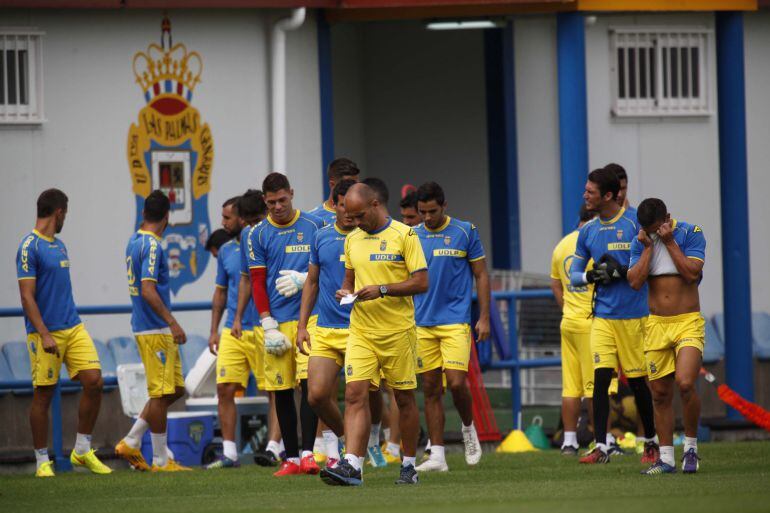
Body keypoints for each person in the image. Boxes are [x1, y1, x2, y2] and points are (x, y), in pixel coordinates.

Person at [320, 183, 428, 486]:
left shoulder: (405, 236)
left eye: (359, 215)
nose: (355, 222)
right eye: (350, 217)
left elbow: (421, 282)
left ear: (375, 204)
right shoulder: (352, 239)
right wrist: (347, 292)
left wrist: (382, 289)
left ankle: (408, 465)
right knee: (354, 394)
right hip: (361, 330)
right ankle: (352, 464)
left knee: (404, 400)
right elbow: (350, 280)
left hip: (398, 331)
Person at [16, 188, 111, 477]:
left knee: (94, 381)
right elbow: (26, 297)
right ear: (59, 212)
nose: (65, 219)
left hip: (74, 326)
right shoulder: (28, 247)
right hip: (45, 333)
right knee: (43, 395)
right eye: (65, 214)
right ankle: (42, 460)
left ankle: (82, 450)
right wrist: (44, 334)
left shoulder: (60, 246)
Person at [569, 168, 658, 465]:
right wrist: (594, 274)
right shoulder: (588, 231)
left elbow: (648, 264)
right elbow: (573, 277)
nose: (585, 196)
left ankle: (651, 443)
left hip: (634, 316)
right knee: (600, 378)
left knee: (636, 381)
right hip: (603, 316)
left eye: (590, 192)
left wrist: (619, 271)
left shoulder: (635, 223)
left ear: (608, 195)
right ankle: (601, 447)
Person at [244, 172, 323, 477]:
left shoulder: (314, 225)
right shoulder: (257, 234)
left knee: (310, 386)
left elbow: (328, 267)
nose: (278, 206)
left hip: (310, 319)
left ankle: (307, 454)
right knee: (281, 390)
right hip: (277, 322)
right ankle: (290, 458)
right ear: (265, 200)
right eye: (272, 202)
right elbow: (257, 280)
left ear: (292, 193)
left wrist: (305, 279)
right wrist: (267, 323)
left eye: (282, 200)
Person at [411, 182, 489, 472]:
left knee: (456, 382)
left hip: (455, 320)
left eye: (432, 211)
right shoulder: (412, 235)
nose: (427, 217)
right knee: (430, 389)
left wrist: (484, 317)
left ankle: (469, 428)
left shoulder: (465, 231)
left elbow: (481, 274)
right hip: (421, 323)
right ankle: (438, 456)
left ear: (444, 206)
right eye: (422, 212)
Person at [627, 198, 706, 475]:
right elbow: (635, 282)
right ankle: (666, 458)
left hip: (687, 322)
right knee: (659, 394)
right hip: (656, 324)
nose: (651, 234)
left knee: (685, 383)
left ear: (667, 219)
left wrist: (670, 242)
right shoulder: (641, 242)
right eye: (647, 230)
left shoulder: (690, 233)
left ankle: (691, 448)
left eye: (655, 229)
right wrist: (648, 247)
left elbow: (691, 274)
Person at [116, 190, 191, 472]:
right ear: (167, 216)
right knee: (160, 395)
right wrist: (172, 322)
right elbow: (148, 289)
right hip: (154, 329)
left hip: (148, 326)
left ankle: (133, 439)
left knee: (176, 389)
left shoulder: (133, 241)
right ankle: (161, 459)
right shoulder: (153, 245)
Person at [297, 178, 364, 469]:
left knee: (359, 395)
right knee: (317, 395)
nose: (348, 212)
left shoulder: (367, 236)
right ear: (334, 205)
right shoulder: (321, 236)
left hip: (359, 329)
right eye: (343, 205)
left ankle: (370, 447)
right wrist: (302, 325)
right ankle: (351, 440)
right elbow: (311, 281)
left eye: (353, 206)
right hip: (324, 328)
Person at [205, 197, 262, 469]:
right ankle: (230, 453)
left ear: (242, 219)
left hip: (262, 327)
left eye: (227, 217)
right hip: (233, 330)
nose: (223, 222)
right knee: (224, 388)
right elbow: (220, 291)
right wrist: (213, 330)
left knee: (276, 391)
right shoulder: (226, 250)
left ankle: (279, 447)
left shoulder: (262, 242)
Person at [231, 190, 282, 466]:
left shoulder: (282, 230)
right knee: (273, 386)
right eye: (248, 222)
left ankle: (287, 442)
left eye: (257, 219)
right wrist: (238, 316)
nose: (254, 225)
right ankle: (277, 442)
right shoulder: (248, 237)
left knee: (299, 384)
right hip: (262, 322)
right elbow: (246, 279)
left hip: (290, 317)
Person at [550, 206, 597, 455]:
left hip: (568, 322)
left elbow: (555, 283)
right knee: (594, 387)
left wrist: (566, 307)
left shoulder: (561, 246)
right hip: (591, 323)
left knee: (570, 386)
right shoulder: (594, 243)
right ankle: (603, 440)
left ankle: (569, 441)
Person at [309, 157, 361, 225]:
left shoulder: (363, 216)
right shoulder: (312, 219)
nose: (356, 187)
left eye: (357, 183)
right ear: (332, 184)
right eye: (348, 183)